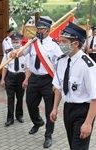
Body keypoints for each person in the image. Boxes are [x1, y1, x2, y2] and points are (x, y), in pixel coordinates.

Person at [10, 18, 63, 148]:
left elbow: (61, 64)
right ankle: (38, 122)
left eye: (40, 29)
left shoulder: (54, 45)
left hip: (48, 80)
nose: (38, 31)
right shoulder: (32, 42)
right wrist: (15, 52)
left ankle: (48, 135)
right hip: (34, 78)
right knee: (30, 103)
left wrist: (58, 82)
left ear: (48, 30)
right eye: (37, 28)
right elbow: (22, 52)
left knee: (49, 109)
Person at [50, 22, 96, 150]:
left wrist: (88, 123)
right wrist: (55, 108)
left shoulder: (87, 65)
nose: (61, 44)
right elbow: (58, 87)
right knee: (73, 145)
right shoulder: (61, 61)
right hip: (68, 108)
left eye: (64, 41)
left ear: (75, 44)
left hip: (83, 111)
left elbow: (94, 96)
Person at [1, 33, 30, 126]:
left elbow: (28, 68)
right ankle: (10, 118)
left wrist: (26, 79)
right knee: (10, 98)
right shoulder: (8, 52)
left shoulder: (25, 52)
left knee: (20, 97)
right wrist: (2, 79)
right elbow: (4, 66)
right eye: (13, 42)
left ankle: (19, 115)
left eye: (17, 42)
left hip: (21, 76)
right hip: (10, 76)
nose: (15, 43)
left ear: (21, 41)